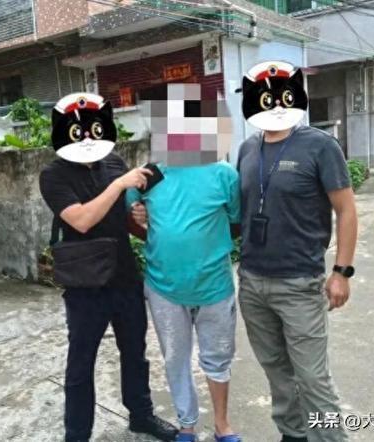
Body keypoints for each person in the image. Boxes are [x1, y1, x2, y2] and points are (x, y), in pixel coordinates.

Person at [39, 92, 178, 442]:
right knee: (81, 363)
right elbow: (82, 220)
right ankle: (77, 434)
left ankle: (141, 416)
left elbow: (122, 218)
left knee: (135, 353)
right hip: (85, 285)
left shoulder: (114, 162)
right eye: (78, 130)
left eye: (94, 128)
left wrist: (137, 216)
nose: (87, 136)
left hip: (125, 276)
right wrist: (119, 186)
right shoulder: (53, 175)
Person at [236, 61, 358, 442]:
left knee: (312, 379)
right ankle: (293, 435)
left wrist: (341, 272)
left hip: (300, 283)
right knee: (277, 372)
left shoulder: (320, 146)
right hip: (252, 283)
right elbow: (240, 211)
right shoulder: (247, 149)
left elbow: (346, 210)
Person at [129, 83, 242, 442]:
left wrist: (206, 245)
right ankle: (187, 424)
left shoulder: (224, 173)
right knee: (175, 358)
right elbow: (129, 216)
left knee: (218, 358)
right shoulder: (148, 176)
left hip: (214, 285)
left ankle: (222, 424)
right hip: (164, 287)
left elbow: (236, 222)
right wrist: (147, 228)